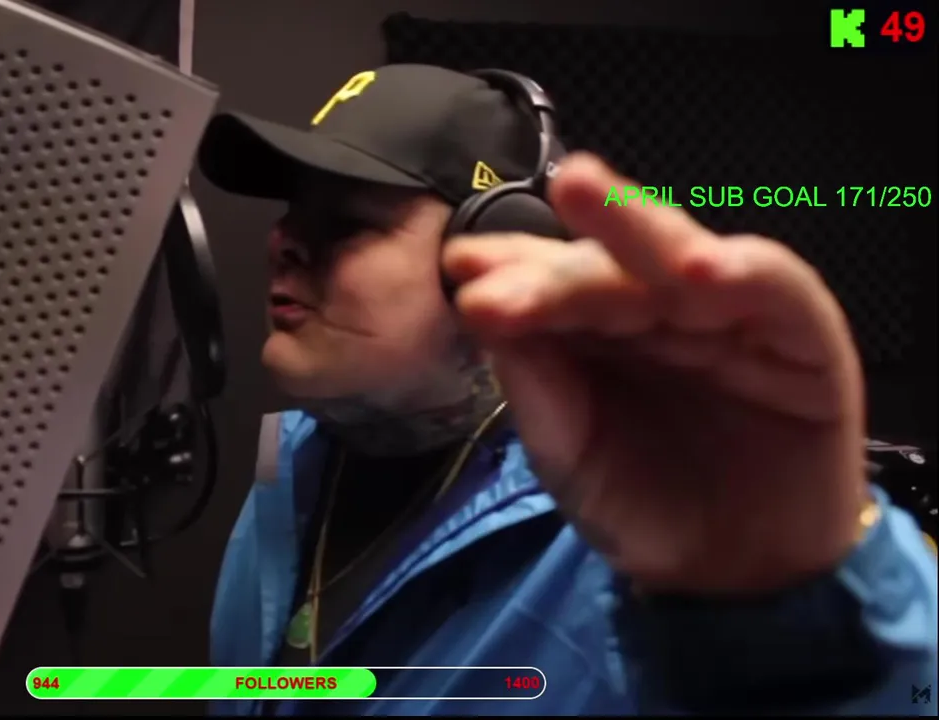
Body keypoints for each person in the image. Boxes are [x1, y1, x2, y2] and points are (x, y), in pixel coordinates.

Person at [195, 63, 938, 715]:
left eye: (345, 223)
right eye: (290, 213)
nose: (282, 241)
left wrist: (788, 600)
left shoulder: (629, 528)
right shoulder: (286, 472)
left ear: (491, 247)